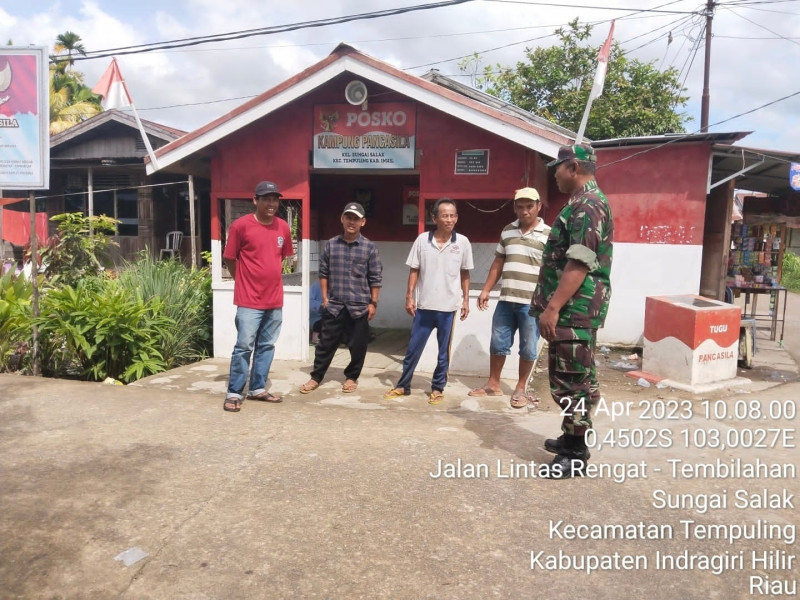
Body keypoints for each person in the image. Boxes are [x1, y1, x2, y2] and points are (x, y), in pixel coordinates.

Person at [530, 144, 613, 478]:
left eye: (558, 168)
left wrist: (553, 308)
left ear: (574, 168)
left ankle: (574, 453)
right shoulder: (582, 202)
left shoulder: (587, 205)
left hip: (573, 308)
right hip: (576, 308)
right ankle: (571, 436)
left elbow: (579, 261)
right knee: (578, 376)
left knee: (572, 380)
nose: (555, 174)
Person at [384, 198, 473, 405]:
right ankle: (403, 385)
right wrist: (409, 296)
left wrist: (466, 300)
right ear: (434, 218)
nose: (449, 220)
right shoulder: (422, 240)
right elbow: (414, 269)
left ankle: (437, 388)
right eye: (445, 215)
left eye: (452, 215)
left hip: (448, 308)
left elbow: (465, 273)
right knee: (412, 349)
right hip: (424, 307)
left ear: (457, 217)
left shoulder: (462, 243)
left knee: (443, 354)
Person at [469, 187, 550, 408]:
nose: (525, 211)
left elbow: (552, 270)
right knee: (498, 343)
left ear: (538, 206)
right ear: (514, 207)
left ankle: (520, 388)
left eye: (529, 206)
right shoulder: (507, 231)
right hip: (506, 300)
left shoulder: (549, 234)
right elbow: (498, 262)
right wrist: (486, 289)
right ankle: (493, 384)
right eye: (520, 207)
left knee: (528, 347)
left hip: (532, 304)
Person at [222, 181, 294, 412]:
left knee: (266, 345)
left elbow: (282, 258)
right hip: (249, 300)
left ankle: (257, 388)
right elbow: (229, 258)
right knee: (244, 346)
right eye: (266, 199)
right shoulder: (240, 226)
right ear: (255, 200)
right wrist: (242, 281)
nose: (271, 203)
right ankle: (234, 392)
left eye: (275, 199)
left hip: (274, 299)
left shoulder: (283, 227)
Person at [299, 202, 382, 394]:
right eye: (348, 217)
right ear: (342, 219)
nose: (352, 222)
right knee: (325, 344)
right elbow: (323, 273)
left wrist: (373, 303)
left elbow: (375, 278)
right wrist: (325, 299)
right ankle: (316, 377)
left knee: (358, 345)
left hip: (359, 306)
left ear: (363, 222)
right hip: (334, 305)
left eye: (356, 219)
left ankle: (352, 377)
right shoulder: (331, 245)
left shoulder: (369, 248)